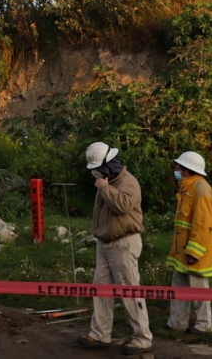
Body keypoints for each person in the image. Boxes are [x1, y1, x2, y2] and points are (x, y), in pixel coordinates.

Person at [76, 142, 153, 356]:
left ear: (108, 164)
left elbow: (123, 206)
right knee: (101, 290)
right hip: (105, 242)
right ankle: (100, 334)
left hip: (123, 243)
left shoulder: (128, 182)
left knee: (130, 291)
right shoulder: (107, 181)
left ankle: (143, 338)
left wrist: (105, 188)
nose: (96, 173)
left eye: (98, 168)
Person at [166, 151, 212, 335]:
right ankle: (177, 323)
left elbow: (203, 225)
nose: (176, 170)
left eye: (178, 167)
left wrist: (194, 252)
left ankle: (203, 326)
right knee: (178, 288)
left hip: (195, 252)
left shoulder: (201, 190)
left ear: (187, 170)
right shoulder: (188, 187)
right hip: (181, 252)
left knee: (199, 289)